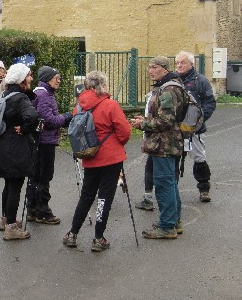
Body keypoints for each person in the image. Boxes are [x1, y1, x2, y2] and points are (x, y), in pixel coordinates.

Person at [62, 70, 131, 251]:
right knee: (104, 198)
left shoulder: (79, 107)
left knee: (86, 196)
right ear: (103, 85)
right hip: (111, 157)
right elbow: (125, 132)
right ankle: (98, 238)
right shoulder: (111, 105)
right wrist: (117, 142)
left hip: (89, 155)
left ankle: (73, 233)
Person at [130, 56, 186, 239]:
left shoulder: (169, 89)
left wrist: (143, 124)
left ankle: (167, 226)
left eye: (154, 67)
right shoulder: (168, 86)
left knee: (164, 184)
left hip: (164, 145)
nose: (150, 71)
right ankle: (174, 221)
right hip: (166, 143)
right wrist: (145, 120)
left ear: (164, 68)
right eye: (149, 67)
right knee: (169, 183)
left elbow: (165, 121)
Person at [0, 63, 39, 241]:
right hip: (16, 148)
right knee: (15, 187)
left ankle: (5, 220)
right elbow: (33, 117)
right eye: (28, 75)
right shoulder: (20, 98)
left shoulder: (5, 94)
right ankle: (11, 228)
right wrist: (26, 129)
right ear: (21, 79)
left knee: (8, 185)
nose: (31, 78)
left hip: (3, 145)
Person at [27, 66, 72, 224]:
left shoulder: (40, 92)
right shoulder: (44, 95)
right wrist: (66, 117)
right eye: (56, 78)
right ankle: (43, 211)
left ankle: (32, 209)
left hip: (39, 140)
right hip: (45, 141)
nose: (59, 81)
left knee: (35, 175)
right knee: (44, 176)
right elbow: (49, 120)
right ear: (47, 79)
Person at [175, 51, 216, 202]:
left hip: (194, 130)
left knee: (199, 158)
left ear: (191, 64)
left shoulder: (201, 81)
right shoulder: (173, 80)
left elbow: (209, 102)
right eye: (177, 63)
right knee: (173, 159)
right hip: (175, 129)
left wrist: (199, 120)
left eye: (183, 62)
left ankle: (204, 189)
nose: (179, 65)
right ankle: (172, 191)